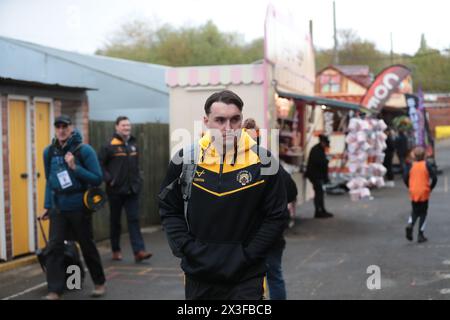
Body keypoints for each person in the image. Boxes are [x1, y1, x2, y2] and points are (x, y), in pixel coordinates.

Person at [159, 90, 288, 300]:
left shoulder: (264, 162)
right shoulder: (185, 160)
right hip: (198, 274)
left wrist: (248, 255)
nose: (228, 128)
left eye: (235, 120)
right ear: (206, 121)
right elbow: (169, 209)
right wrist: (188, 248)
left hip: (246, 275)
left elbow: (276, 216)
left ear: (242, 121)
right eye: (220, 120)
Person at [39, 115, 106, 300]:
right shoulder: (49, 152)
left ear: (71, 128)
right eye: (58, 126)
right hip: (58, 207)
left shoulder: (84, 150)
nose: (61, 130)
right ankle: (54, 289)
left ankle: (99, 283)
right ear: (55, 129)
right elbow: (49, 181)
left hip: (79, 206)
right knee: (54, 248)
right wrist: (47, 205)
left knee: (87, 246)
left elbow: (97, 178)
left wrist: (75, 167)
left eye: (65, 126)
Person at [243, 118, 297, 300]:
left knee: (248, 279)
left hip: (250, 235)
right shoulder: (269, 161)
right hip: (271, 233)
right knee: (274, 276)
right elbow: (292, 190)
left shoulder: (238, 164)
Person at [98, 116, 152, 262]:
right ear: (116, 127)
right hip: (115, 190)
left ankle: (139, 251)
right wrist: (109, 179)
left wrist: (138, 180)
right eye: (123, 126)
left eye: (128, 125)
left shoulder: (133, 144)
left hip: (132, 189)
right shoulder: (109, 145)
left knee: (134, 220)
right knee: (115, 221)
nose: (126, 128)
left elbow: (136, 165)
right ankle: (116, 250)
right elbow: (100, 165)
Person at [403, 146, 438, 243]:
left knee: (415, 211)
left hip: (413, 191)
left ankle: (410, 223)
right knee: (423, 213)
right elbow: (434, 178)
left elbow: (405, 178)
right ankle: (420, 234)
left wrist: (409, 187)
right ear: (424, 156)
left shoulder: (410, 165)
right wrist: (431, 188)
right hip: (424, 191)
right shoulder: (426, 164)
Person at [305, 134, 333, 218]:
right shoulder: (316, 150)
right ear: (322, 142)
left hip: (317, 175)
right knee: (319, 193)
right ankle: (318, 211)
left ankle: (322, 210)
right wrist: (326, 161)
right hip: (315, 175)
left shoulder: (319, 149)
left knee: (320, 193)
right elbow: (319, 163)